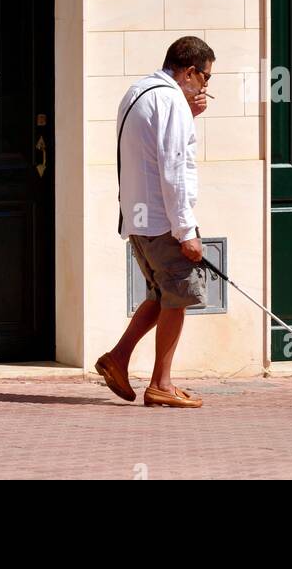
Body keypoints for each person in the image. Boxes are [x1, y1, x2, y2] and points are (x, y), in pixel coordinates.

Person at [95, 36, 214, 408]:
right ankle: (161, 384)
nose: (206, 87)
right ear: (190, 72)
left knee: (162, 296)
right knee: (177, 298)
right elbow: (174, 168)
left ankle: (117, 358)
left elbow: (151, 147)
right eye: (206, 78)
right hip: (163, 220)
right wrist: (186, 230)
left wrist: (186, 114)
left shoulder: (140, 90)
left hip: (137, 217)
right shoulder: (170, 101)